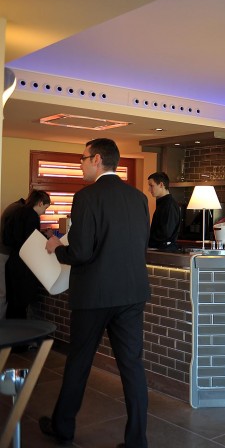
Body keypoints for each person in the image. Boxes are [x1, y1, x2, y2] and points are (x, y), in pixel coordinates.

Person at [40, 138, 151, 448]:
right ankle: (137, 441)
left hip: (94, 295)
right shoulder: (139, 197)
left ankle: (63, 428)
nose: (80, 164)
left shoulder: (86, 197)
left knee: (79, 363)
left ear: (98, 159)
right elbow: (140, 243)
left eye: (83, 158)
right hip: (132, 293)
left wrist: (56, 247)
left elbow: (81, 252)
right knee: (132, 367)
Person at [4, 190, 51, 319]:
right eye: (45, 208)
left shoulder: (17, 211)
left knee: (13, 302)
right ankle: (20, 329)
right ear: (40, 203)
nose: (44, 212)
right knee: (22, 303)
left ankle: (11, 329)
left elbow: (8, 238)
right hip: (23, 264)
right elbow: (31, 242)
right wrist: (45, 238)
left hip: (12, 260)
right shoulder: (32, 216)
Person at [0, 196, 26, 319]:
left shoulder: (14, 207)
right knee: (2, 292)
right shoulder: (19, 210)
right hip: (3, 252)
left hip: (4, 252)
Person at [147, 171, 180, 250]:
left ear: (161, 185)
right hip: (161, 249)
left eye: (151, 186)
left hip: (164, 250)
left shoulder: (169, 205)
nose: (149, 189)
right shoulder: (164, 204)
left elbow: (165, 233)